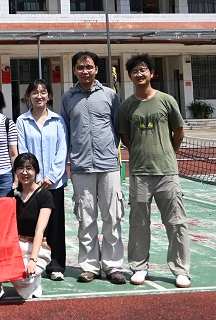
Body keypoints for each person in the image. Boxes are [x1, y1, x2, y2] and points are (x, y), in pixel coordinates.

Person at [118, 53, 191, 288]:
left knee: (176, 222)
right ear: (130, 76)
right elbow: (125, 137)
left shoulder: (167, 100)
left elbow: (178, 131)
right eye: (135, 71)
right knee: (139, 223)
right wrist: (141, 152)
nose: (139, 74)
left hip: (167, 172)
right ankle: (139, 267)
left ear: (151, 73)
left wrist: (168, 152)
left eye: (143, 70)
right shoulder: (127, 106)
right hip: (140, 173)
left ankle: (181, 270)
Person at [60, 51, 127, 284]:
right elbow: (66, 131)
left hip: (108, 165)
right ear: (74, 70)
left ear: (97, 69)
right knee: (86, 218)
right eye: (80, 67)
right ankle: (89, 266)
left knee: (112, 216)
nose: (85, 71)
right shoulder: (67, 98)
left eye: (89, 67)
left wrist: (109, 151)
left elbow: (117, 127)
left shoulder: (110, 95)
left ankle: (113, 266)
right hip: (81, 167)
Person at [16, 78, 68, 281]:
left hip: (54, 183)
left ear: (49, 95)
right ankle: (31, 262)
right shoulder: (22, 121)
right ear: (28, 96)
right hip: (31, 184)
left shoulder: (58, 121)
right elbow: (23, 152)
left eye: (43, 92)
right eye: (35, 92)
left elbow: (62, 150)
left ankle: (55, 266)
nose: (39, 96)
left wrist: (52, 177)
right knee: (32, 225)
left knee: (55, 225)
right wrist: (33, 178)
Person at [0, 152, 53, 302]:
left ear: (36, 171)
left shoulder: (45, 196)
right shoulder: (12, 195)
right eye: (21, 168)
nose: (25, 172)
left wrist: (33, 260)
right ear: (15, 171)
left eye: (29, 168)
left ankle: (34, 282)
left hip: (36, 246)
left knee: (22, 278)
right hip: (15, 245)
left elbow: (39, 230)